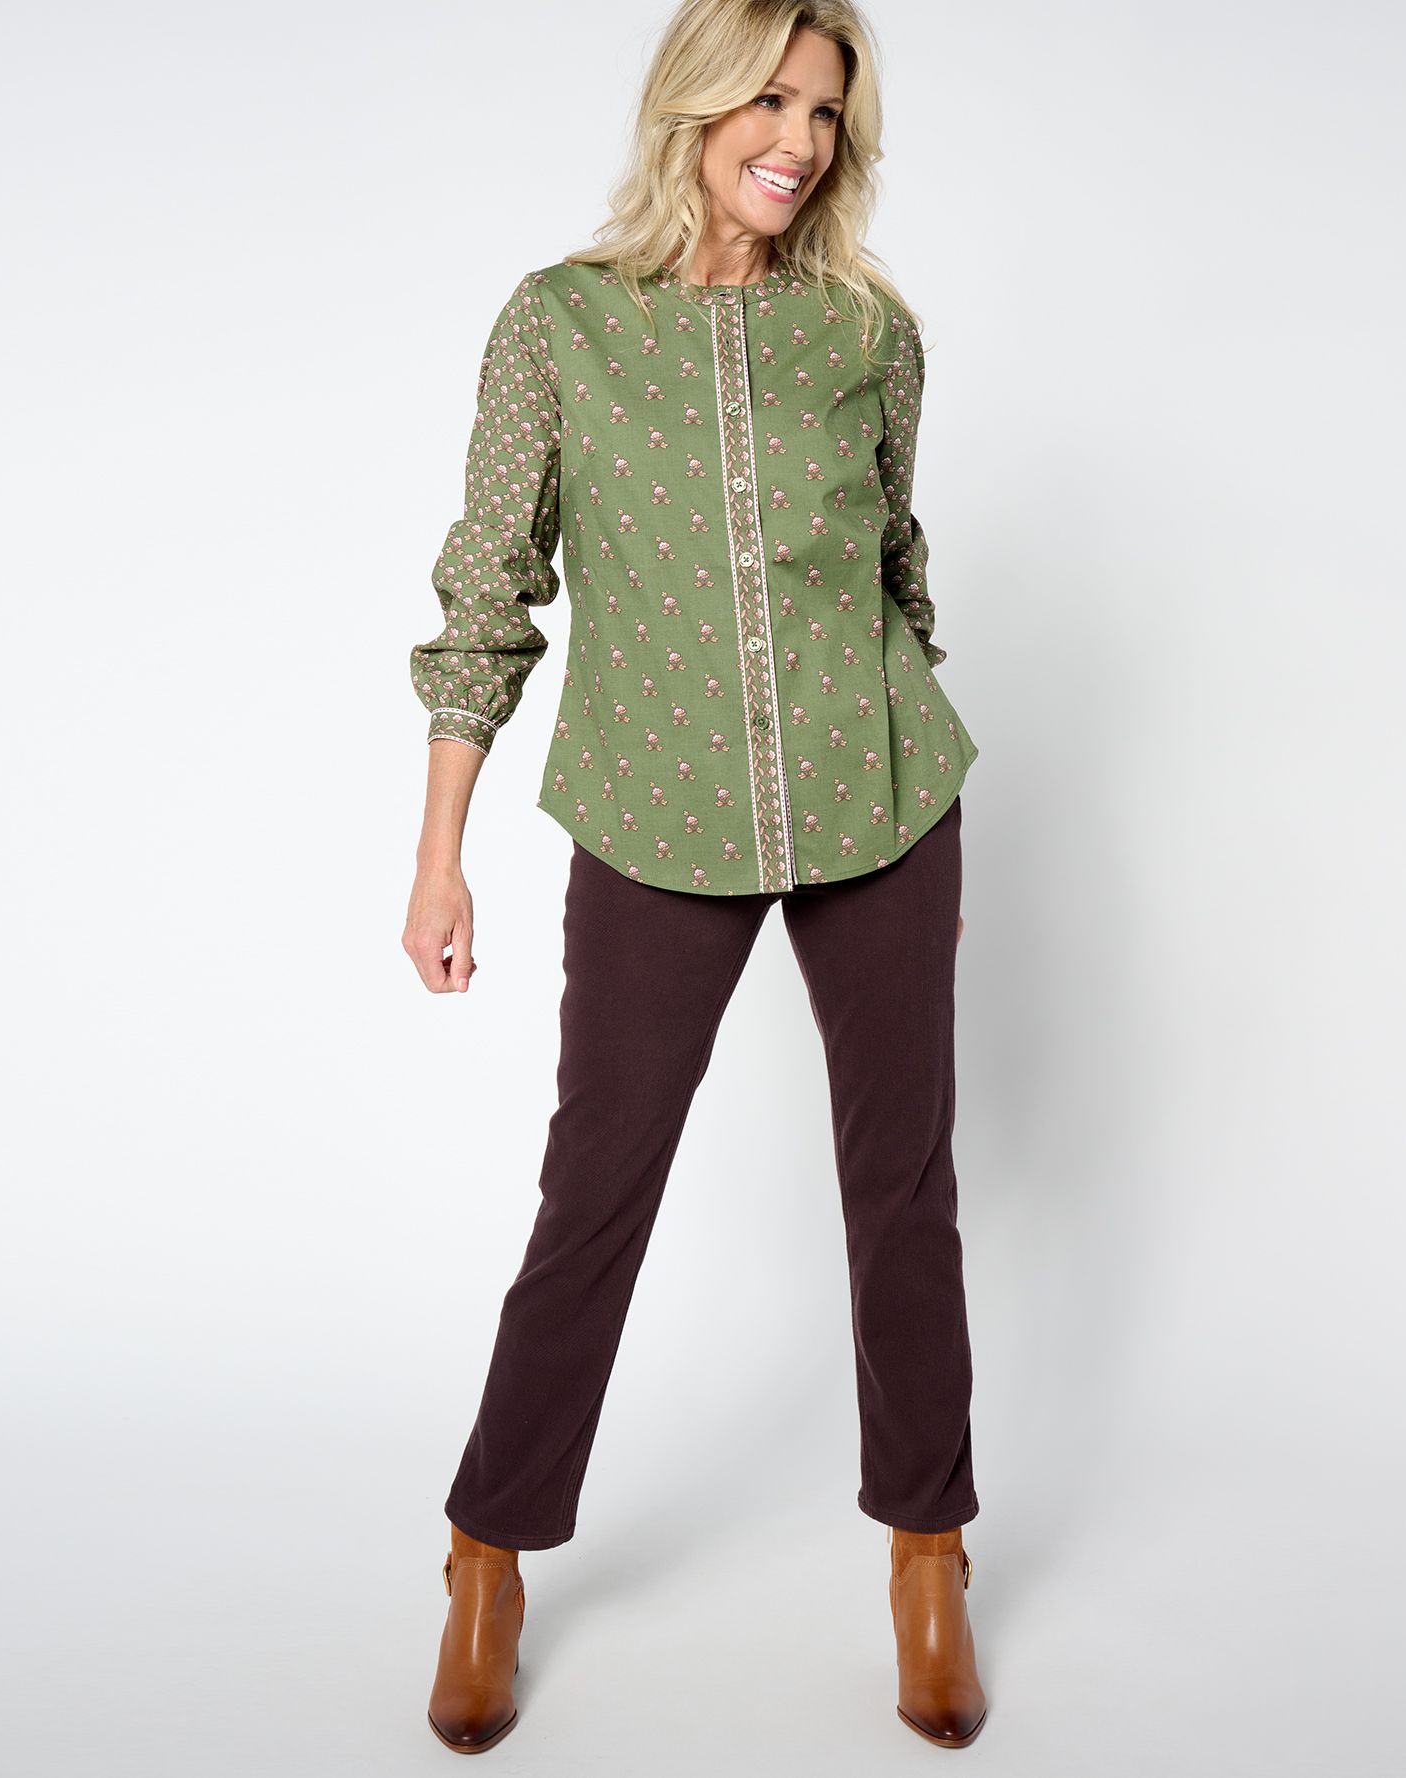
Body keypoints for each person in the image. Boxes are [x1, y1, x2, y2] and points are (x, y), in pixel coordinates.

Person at [401, 0, 986, 1751]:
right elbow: (489, 591)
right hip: (655, 808)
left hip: (878, 789)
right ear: (696, 103)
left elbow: (893, 556)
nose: (798, 140)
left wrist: (902, 695)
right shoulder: (561, 324)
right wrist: (441, 852)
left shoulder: (867, 333)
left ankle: (930, 1550)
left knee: (903, 1186)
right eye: (771, 100)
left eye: (826, 112)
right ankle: (489, 1550)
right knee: (598, 1183)